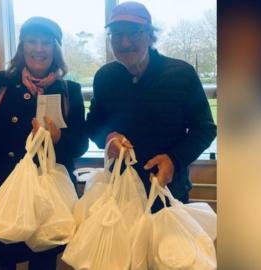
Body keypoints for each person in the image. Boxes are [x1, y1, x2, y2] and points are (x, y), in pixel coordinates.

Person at [0, 17, 88, 270]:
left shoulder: (68, 90)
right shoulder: (0, 84)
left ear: (56, 49)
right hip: (0, 194)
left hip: (46, 200)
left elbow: (80, 144)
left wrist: (58, 138)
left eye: (46, 43)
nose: (38, 49)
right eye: (32, 41)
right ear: (22, 46)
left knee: (43, 261)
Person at [86, 2, 216, 208]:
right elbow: (94, 125)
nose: (125, 42)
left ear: (149, 34)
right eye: (116, 35)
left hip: (168, 191)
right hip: (120, 193)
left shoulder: (181, 74)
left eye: (134, 33)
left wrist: (174, 160)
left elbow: (205, 128)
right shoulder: (104, 77)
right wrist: (109, 138)